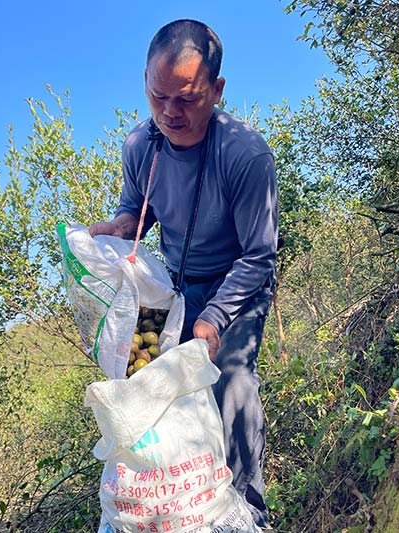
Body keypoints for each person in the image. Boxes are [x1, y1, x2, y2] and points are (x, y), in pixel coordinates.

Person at [89, 19, 278, 529]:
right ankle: (178, 510)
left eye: (188, 99)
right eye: (158, 96)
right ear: (146, 83)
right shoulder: (140, 147)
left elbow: (260, 256)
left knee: (231, 381)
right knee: (150, 386)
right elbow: (139, 210)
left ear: (216, 90)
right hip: (178, 286)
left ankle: (248, 514)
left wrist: (215, 317)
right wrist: (119, 228)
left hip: (238, 285)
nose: (170, 112)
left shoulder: (244, 154)